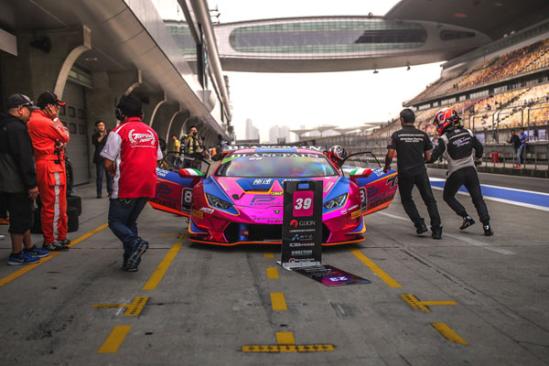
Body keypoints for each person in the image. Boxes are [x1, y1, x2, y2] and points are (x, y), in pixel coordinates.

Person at [101, 95, 163, 272]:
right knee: (130, 222)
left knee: (115, 222)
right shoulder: (152, 132)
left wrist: (116, 172)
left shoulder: (118, 132)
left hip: (127, 186)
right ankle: (130, 261)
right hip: (148, 186)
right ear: (141, 114)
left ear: (120, 113)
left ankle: (135, 243)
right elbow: (157, 158)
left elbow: (107, 162)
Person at [0, 94, 48, 264]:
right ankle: (16, 254)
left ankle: (28, 248)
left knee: (23, 216)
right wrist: (31, 184)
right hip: (17, 183)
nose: (30, 114)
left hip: (7, 181)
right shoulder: (17, 129)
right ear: (20, 110)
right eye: (29, 110)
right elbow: (24, 159)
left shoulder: (5, 126)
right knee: (20, 218)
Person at [430, 108, 493, 236]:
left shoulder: (444, 138)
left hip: (456, 172)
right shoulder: (468, 132)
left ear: (444, 121)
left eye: (438, 123)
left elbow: (432, 158)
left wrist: (421, 159)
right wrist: (478, 160)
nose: (437, 126)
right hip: (471, 171)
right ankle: (487, 227)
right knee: (478, 199)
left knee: (447, 196)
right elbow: (479, 147)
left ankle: (466, 217)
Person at [384, 108, 442, 239]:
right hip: (420, 172)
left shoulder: (397, 135)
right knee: (429, 200)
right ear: (413, 120)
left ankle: (420, 224)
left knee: (406, 199)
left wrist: (386, 166)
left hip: (405, 173)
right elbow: (428, 157)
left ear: (402, 120)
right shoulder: (423, 135)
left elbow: (390, 154)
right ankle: (437, 230)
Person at [27, 91, 70, 251]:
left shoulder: (40, 120)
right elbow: (65, 135)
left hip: (53, 165)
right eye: (57, 107)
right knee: (54, 205)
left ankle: (60, 236)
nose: (58, 110)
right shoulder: (43, 121)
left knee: (59, 204)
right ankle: (52, 239)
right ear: (49, 107)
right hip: (50, 166)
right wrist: (56, 120)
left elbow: (63, 137)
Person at [92, 120, 113, 198]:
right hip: (99, 158)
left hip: (108, 157)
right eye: (100, 125)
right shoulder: (95, 135)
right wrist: (103, 135)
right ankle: (99, 193)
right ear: (97, 127)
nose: (101, 126)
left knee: (109, 176)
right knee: (99, 176)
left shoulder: (109, 134)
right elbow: (97, 141)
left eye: (103, 125)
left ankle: (110, 192)